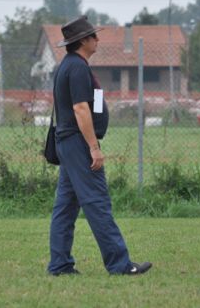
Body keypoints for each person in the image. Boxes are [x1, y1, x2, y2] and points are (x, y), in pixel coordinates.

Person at [47, 16, 152, 276]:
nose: (97, 39)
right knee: (97, 201)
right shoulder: (78, 68)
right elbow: (81, 109)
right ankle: (120, 264)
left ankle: (60, 264)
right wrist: (94, 147)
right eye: (93, 36)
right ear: (83, 40)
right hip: (78, 143)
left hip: (67, 142)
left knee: (66, 206)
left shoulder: (67, 66)